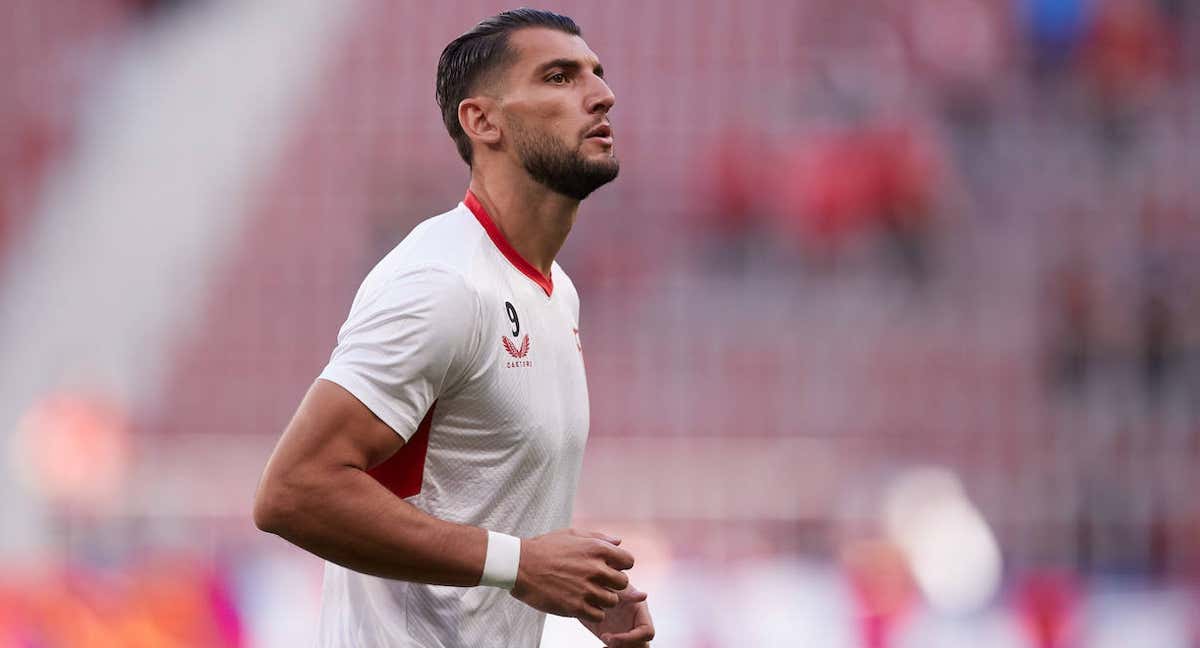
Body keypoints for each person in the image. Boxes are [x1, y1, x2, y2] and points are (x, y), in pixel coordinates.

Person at [252, 9, 654, 648]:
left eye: (597, 75)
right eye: (558, 77)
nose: (601, 94)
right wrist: (520, 565)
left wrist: (571, 582)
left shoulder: (554, 293)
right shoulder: (441, 283)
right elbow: (294, 492)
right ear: (482, 120)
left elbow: (476, 501)